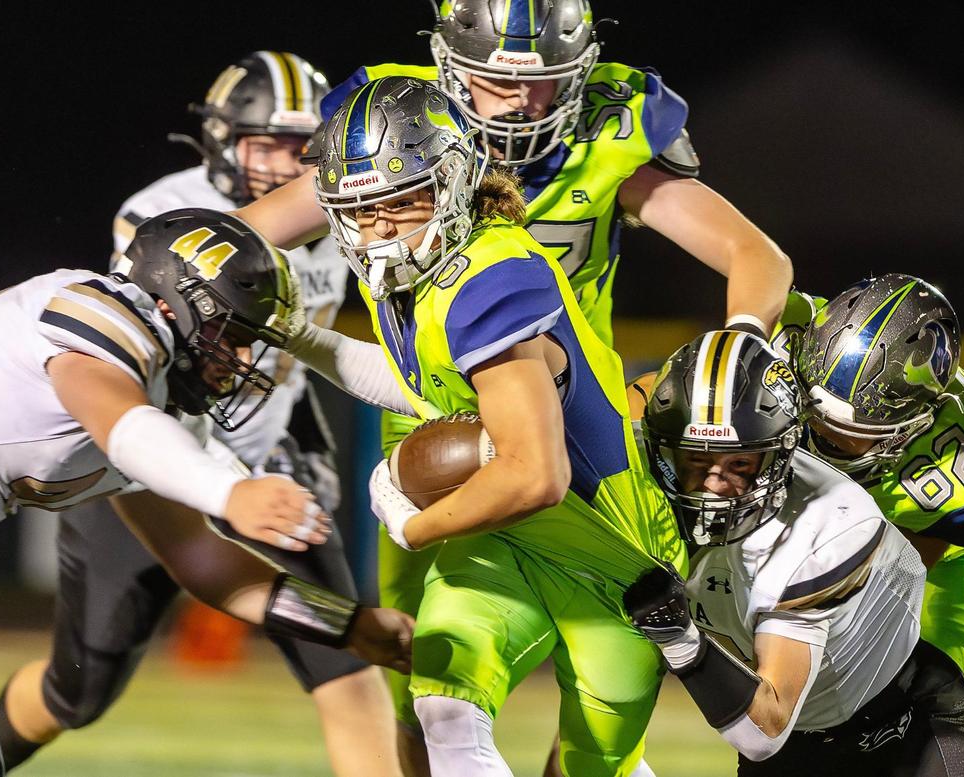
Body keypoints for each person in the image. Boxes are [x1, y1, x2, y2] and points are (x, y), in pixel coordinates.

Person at [234, 4, 793, 771]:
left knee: (595, 711)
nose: (522, 103)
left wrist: (741, 347)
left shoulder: (585, 161)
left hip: (574, 439)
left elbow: (753, 254)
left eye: (544, 82)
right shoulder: (394, 141)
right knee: (431, 679)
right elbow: (239, 241)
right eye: (496, 81)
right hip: (444, 423)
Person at [0, 52, 400, 777]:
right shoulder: (164, 215)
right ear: (221, 138)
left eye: (301, 148)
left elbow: (278, 353)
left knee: (345, 655)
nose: (285, 165)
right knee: (78, 689)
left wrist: (301, 441)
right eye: (266, 142)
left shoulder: (338, 215)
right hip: (149, 469)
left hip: (262, 465)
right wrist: (225, 483)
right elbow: (165, 371)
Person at [283, 75, 687, 777]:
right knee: (444, 696)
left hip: (610, 544)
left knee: (597, 765)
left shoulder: (488, 276)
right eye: (361, 209)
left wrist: (412, 523)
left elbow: (537, 474)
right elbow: (417, 384)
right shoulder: (418, 268)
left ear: (454, 180)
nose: (380, 230)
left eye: (401, 200)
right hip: (507, 534)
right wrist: (292, 334)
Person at [0, 207, 413, 777]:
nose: (237, 363)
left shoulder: (161, 410)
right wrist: (230, 492)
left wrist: (348, 624)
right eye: (229, 336)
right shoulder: (96, 313)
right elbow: (121, 423)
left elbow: (203, 561)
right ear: (170, 303)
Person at [624, 330, 964, 776]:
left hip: (901, 719)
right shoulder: (637, 465)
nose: (715, 486)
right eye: (694, 462)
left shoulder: (829, 528)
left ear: (780, 456)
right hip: (795, 740)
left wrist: (680, 639)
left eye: (740, 464)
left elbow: (763, 731)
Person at [776, 273, 964, 699]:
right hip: (862, 509)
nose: (820, 437)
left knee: (926, 696)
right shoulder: (789, 330)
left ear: (910, 425)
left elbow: (884, 584)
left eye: (845, 431)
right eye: (813, 414)